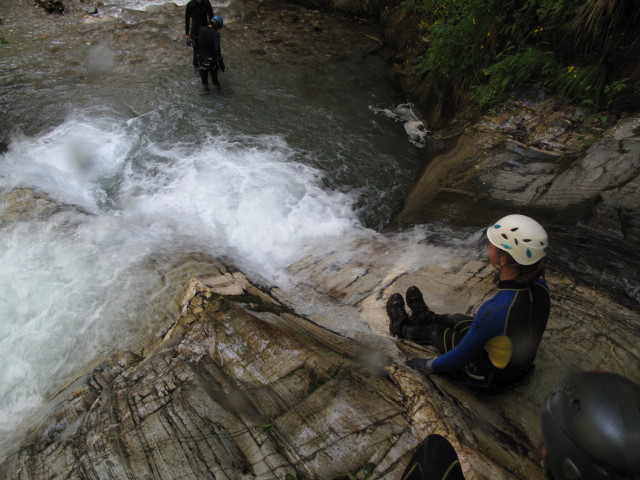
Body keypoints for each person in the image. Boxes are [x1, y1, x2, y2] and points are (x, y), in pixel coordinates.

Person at [387, 214, 550, 392]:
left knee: (436, 332)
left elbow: (460, 356)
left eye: (493, 246)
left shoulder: (496, 309)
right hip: (518, 366)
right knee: (457, 319)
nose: (488, 247)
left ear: (503, 260)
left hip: (489, 377)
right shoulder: (540, 286)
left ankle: (400, 326)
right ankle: (424, 316)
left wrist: (428, 365)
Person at [402, 371, 640, 479]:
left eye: (547, 440)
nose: (542, 446)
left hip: (490, 375)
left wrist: (431, 364)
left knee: (434, 450)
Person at [198, 15, 225, 94]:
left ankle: (206, 93)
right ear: (217, 25)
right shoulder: (216, 34)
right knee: (215, 79)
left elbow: (198, 42)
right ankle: (220, 92)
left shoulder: (201, 29)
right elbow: (217, 49)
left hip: (202, 59)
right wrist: (221, 62)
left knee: (204, 80)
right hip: (212, 60)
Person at [184, 0, 214, 68]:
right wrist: (187, 34)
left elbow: (211, 15)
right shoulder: (190, 4)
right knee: (196, 52)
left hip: (205, 31)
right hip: (195, 32)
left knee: (206, 51)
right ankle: (196, 68)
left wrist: (212, 28)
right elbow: (187, 19)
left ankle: (206, 67)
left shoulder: (206, 2)